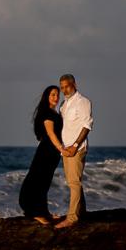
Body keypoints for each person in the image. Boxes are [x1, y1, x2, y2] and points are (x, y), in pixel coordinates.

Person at [17, 85, 63, 223]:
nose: (56, 97)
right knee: (37, 181)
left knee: (45, 183)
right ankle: (34, 212)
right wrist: (62, 148)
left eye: (57, 95)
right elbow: (50, 133)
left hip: (52, 152)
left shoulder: (54, 113)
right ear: (47, 97)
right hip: (46, 151)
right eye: (53, 95)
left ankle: (45, 212)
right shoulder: (47, 113)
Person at [54, 73, 93, 229]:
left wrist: (75, 145)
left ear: (74, 84)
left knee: (74, 182)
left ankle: (72, 218)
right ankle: (81, 212)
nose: (64, 90)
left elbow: (87, 125)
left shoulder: (83, 102)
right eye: (62, 87)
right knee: (73, 182)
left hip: (76, 148)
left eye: (67, 86)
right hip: (66, 149)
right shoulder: (64, 104)